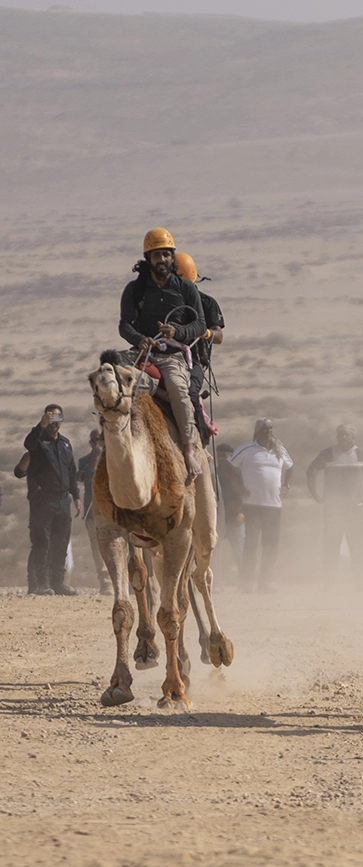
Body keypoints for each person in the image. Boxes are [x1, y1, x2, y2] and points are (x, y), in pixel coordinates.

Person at [119, 228, 206, 478]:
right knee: (111, 377)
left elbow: (200, 324)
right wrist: (139, 339)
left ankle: (189, 451)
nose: (162, 260)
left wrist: (177, 331)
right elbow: (124, 324)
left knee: (179, 391)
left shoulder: (186, 290)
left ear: (173, 257)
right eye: (157, 255)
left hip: (172, 356)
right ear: (148, 259)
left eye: (166, 255)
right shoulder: (135, 290)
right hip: (141, 353)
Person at [228, 419, 293, 593]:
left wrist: (286, 486)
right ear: (257, 432)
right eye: (265, 429)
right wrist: (239, 487)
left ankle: (265, 582)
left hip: (274, 506)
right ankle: (247, 582)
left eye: (271, 428)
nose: (268, 431)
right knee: (251, 544)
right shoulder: (247, 449)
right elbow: (230, 466)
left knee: (270, 544)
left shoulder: (280, 451)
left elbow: (291, 468)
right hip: (252, 505)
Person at [23, 404, 81, 596]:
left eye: (57, 418)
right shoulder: (38, 442)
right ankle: (41, 584)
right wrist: (40, 425)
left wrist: (76, 497)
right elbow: (28, 443)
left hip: (63, 501)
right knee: (42, 543)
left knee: (61, 542)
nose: (54, 423)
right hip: (43, 501)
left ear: (62, 420)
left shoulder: (65, 444)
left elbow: (71, 471)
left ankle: (58, 583)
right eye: (51, 418)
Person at [306, 424, 363, 580]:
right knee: (331, 545)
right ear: (336, 437)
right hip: (333, 509)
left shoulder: (360, 455)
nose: (343, 437)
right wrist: (314, 493)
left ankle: (360, 582)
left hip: (355, 508)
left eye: (346, 435)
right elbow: (311, 470)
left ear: (352, 437)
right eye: (340, 435)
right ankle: (329, 582)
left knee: (357, 545)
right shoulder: (327, 454)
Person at [174, 251, 224, 439]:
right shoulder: (164, 301)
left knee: (189, 393)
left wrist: (206, 332)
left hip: (193, 362)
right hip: (163, 357)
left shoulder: (207, 303)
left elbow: (219, 336)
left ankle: (200, 438)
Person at [76, 428, 111, 595]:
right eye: (95, 441)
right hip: (93, 511)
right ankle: (105, 583)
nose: (99, 443)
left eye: (101, 440)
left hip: (114, 509)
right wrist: (95, 460)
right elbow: (86, 479)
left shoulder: (115, 457)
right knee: (97, 547)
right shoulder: (84, 461)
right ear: (91, 443)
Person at [214, 442, 246, 582]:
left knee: (240, 551)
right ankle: (216, 583)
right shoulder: (213, 473)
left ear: (231, 456)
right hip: (218, 518)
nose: (221, 457)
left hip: (235, 518)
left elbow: (246, 494)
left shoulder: (239, 473)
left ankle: (244, 582)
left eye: (224, 455)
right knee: (215, 552)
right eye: (219, 455)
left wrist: (242, 513)